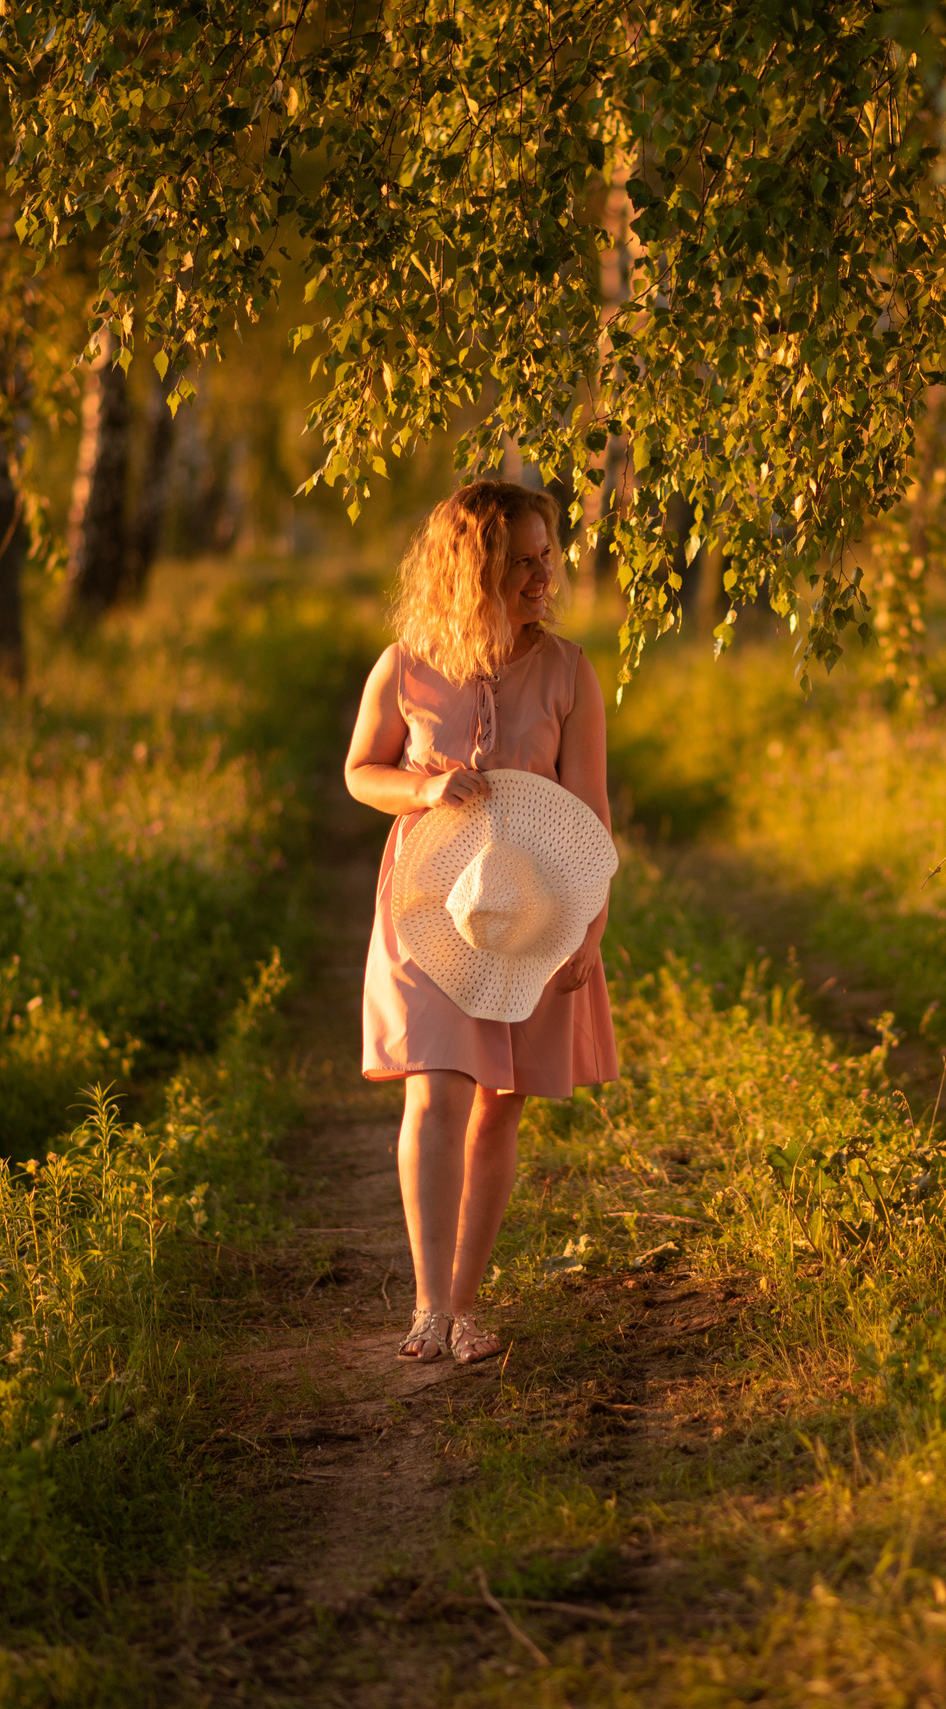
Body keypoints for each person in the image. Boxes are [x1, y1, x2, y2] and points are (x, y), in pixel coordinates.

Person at [345, 481, 617, 1363]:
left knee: (499, 1108)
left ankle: (465, 1308)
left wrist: (591, 928)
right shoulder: (405, 663)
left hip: (534, 913)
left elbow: (591, 812)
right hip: (425, 906)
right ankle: (427, 1307)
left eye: (549, 557)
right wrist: (423, 787)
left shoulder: (572, 671)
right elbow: (360, 771)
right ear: (475, 569)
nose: (546, 576)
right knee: (436, 1090)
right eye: (524, 563)